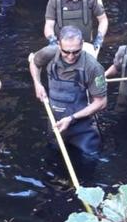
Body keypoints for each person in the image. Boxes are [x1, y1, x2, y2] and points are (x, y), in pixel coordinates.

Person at [29, 25, 107, 157]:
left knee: (88, 161)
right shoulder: (49, 53)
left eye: (76, 51)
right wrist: (37, 84)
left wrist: (71, 118)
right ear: (58, 44)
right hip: (55, 124)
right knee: (54, 162)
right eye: (66, 52)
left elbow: (101, 102)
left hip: (82, 129)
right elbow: (34, 63)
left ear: (82, 44)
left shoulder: (93, 67)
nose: (71, 57)